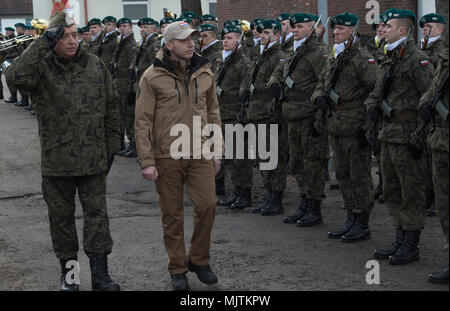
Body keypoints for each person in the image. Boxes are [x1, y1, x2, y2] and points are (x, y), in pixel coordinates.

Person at [6, 11, 121, 291]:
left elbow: (112, 107)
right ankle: (70, 276)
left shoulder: (95, 65)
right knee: (61, 221)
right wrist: (41, 44)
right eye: (63, 36)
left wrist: (112, 147)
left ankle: (101, 276)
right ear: (52, 39)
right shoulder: (41, 68)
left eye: (74, 35)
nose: (72, 41)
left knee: (97, 219)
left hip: (94, 158)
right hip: (57, 161)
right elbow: (14, 76)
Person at [135, 21, 221, 291]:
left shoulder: (205, 71)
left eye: (193, 39)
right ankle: (178, 268)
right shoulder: (151, 76)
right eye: (184, 40)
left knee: (207, 205)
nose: (191, 44)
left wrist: (217, 149)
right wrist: (147, 160)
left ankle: (199, 259)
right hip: (166, 155)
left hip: (199, 152)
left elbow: (214, 114)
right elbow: (142, 121)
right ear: (169, 45)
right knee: (172, 215)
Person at [366, 9, 435, 264]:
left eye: (389, 25)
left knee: (411, 191)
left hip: (407, 136)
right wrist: (371, 108)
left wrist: (420, 135)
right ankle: (399, 236)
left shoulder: (416, 59)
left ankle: (411, 243)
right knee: (392, 190)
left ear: (403, 30)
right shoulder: (389, 57)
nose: (383, 28)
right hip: (388, 134)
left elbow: (428, 97)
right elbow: (376, 91)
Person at [312, 12, 378, 241]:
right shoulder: (335, 55)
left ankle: (362, 221)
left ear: (352, 30)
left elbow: (375, 91)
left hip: (355, 125)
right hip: (336, 125)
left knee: (359, 175)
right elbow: (322, 81)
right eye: (335, 29)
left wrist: (368, 126)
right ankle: (351, 216)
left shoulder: (362, 58)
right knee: (342, 174)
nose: (336, 32)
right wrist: (319, 95)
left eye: (341, 29)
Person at [269, 13, 329, 226]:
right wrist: (275, 83)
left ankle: (314, 206)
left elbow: (324, 85)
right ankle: (304, 202)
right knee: (297, 162)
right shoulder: (291, 51)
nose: (294, 30)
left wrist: (320, 119)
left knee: (312, 163)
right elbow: (277, 72)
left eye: (300, 27)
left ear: (313, 28)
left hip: (308, 115)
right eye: (293, 27)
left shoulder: (319, 53)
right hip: (291, 115)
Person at [241, 19, 289, 216]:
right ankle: (269, 195)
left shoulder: (279, 56)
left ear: (277, 36)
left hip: (269, 115)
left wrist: (253, 88)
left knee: (272, 158)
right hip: (255, 113)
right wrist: (244, 89)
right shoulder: (260, 55)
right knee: (261, 158)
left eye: (266, 32)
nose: (261, 35)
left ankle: (276, 198)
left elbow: (273, 83)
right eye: (260, 33)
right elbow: (248, 77)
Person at [418, 52, 449, 284]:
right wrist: (425, 103)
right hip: (440, 142)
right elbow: (432, 88)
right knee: (445, 205)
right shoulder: (445, 61)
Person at [216, 25, 253, 210]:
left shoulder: (243, 62)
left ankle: (245, 194)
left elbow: (244, 91)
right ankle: (237, 192)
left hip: (235, 114)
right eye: (224, 37)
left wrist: (242, 115)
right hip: (223, 113)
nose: (225, 40)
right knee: (230, 156)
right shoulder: (224, 60)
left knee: (241, 157)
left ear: (238, 40)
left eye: (230, 38)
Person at [418, 13, 448, 217]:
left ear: (440, 29)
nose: (424, 30)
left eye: (429, 27)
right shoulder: (423, 49)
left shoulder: (442, 51)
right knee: (425, 158)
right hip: (425, 108)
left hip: (439, 113)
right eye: (423, 27)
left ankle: (436, 200)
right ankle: (429, 196)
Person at [112, 18, 137, 157]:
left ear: (130, 28)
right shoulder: (121, 42)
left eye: (125, 26)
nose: (122, 28)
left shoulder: (131, 43)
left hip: (125, 82)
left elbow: (132, 65)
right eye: (120, 26)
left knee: (128, 114)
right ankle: (126, 143)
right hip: (118, 82)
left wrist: (130, 84)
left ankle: (133, 143)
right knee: (121, 113)